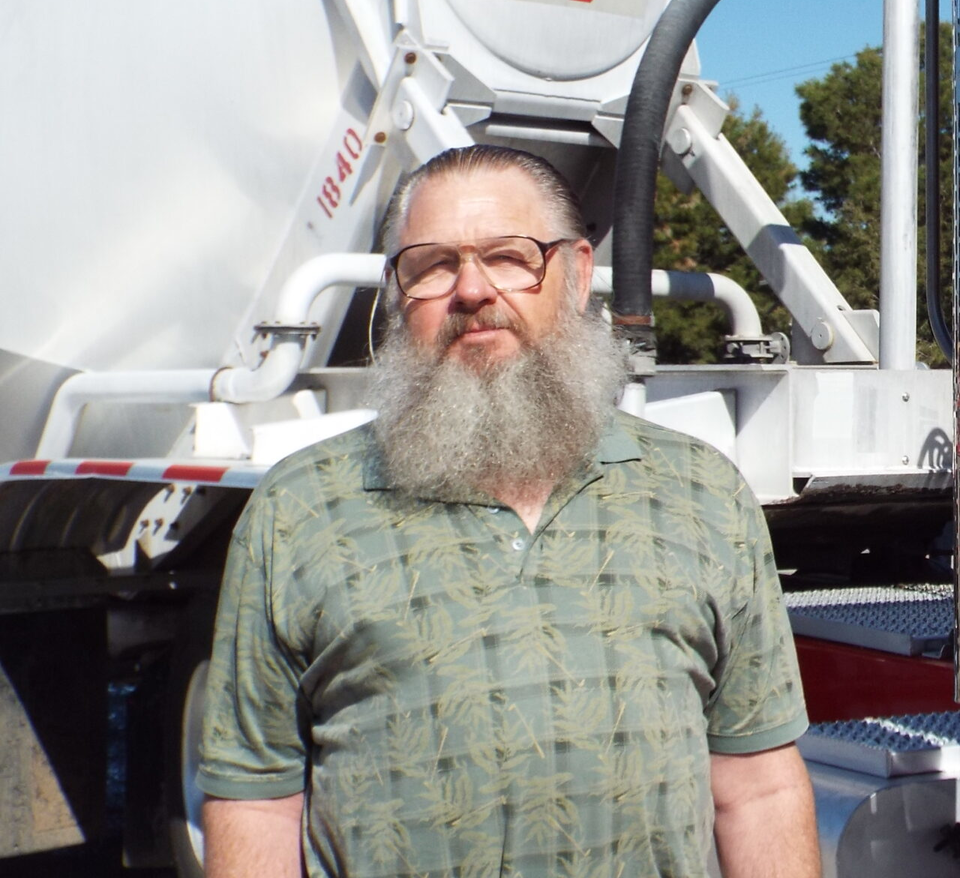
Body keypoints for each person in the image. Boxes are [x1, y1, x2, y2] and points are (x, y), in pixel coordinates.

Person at [196, 145, 818, 878]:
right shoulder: (298, 511)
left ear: (579, 274)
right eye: (430, 265)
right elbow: (257, 803)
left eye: (510, 256)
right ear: (399, 295)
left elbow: (759, 790)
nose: (471, 289)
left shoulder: (702, 494)